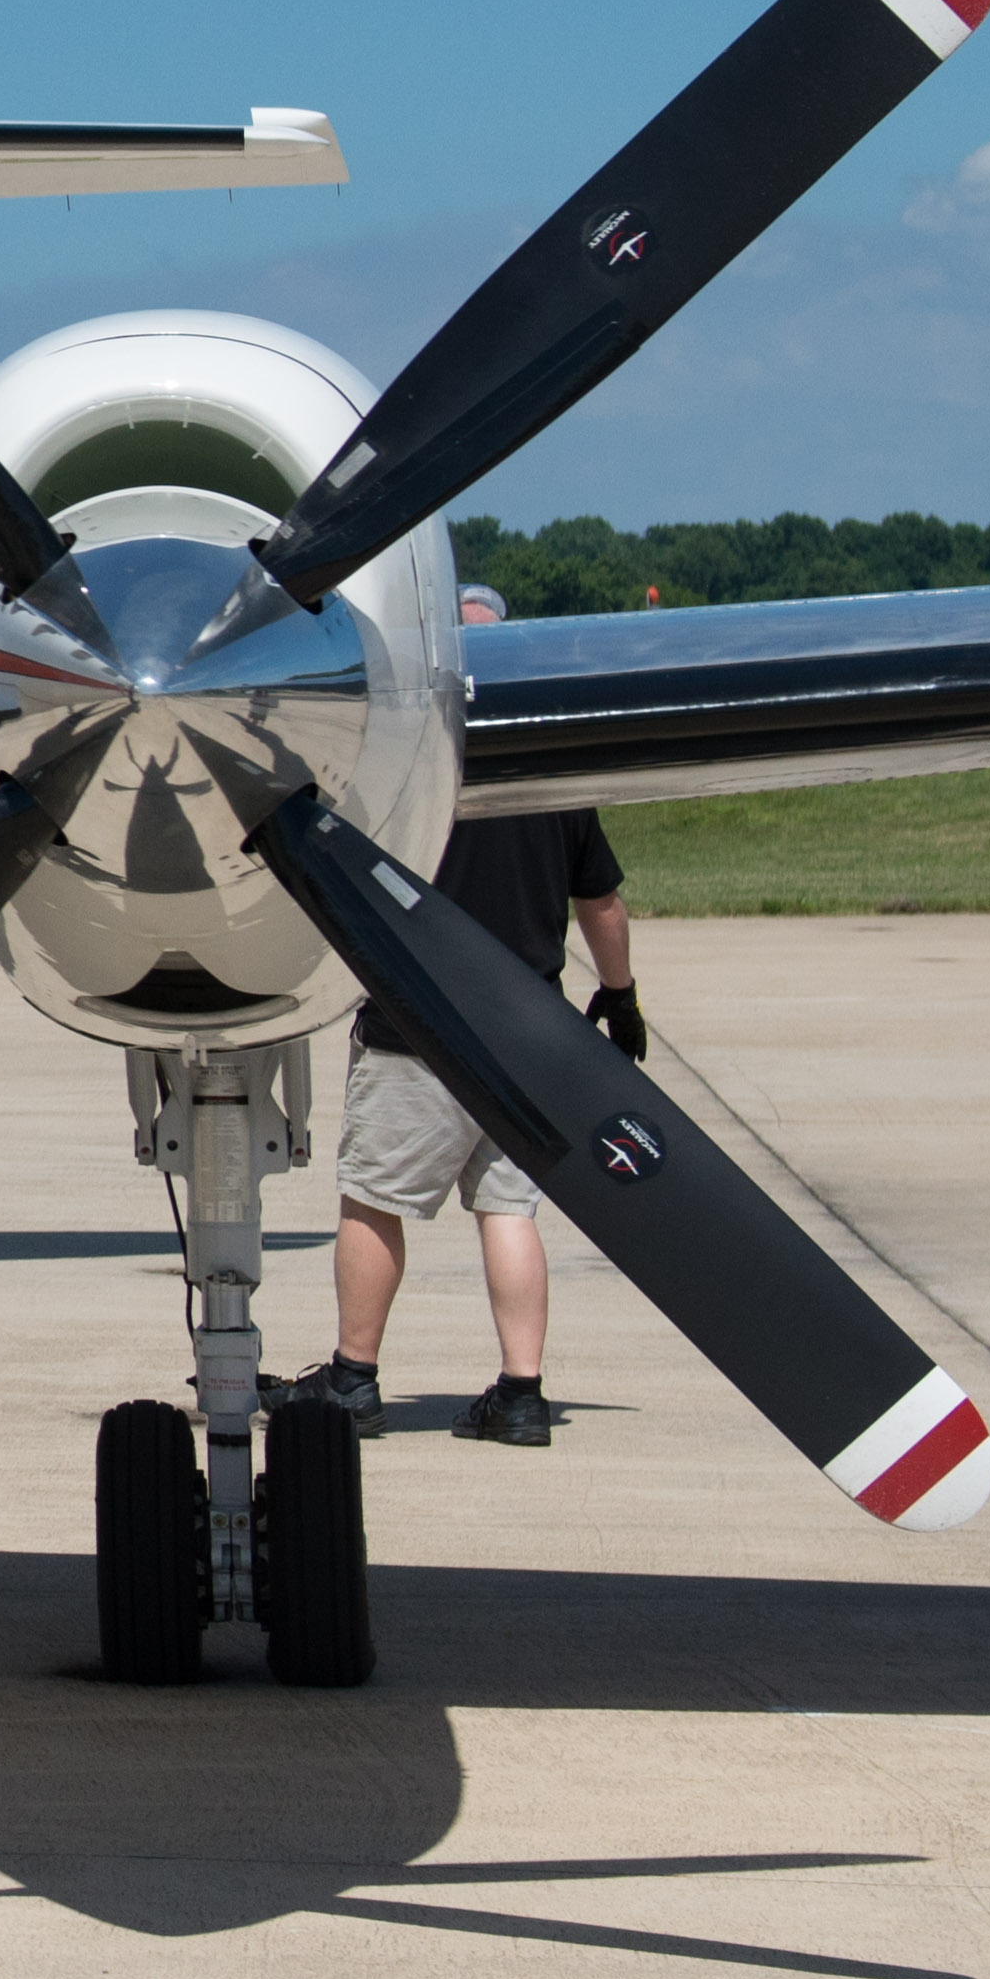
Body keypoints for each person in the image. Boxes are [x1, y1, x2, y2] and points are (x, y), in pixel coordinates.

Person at [282, 585, 642, 1445]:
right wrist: (621, 997)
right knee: (508, 1210)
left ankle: (354, 1378)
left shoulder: (404, 769)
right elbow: (603, 903)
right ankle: (521, 1393)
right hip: (527, 1034)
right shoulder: (555, 779)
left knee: (374, 1201)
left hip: (416, 1028)